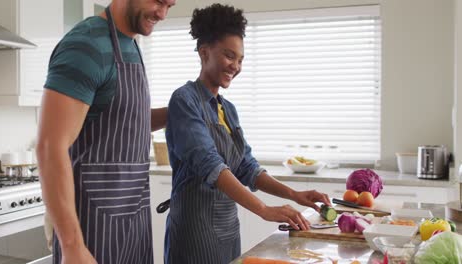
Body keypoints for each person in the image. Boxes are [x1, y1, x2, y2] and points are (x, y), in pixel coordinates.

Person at [163, 3, 331, 264]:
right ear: (204, 52)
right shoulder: (184, 100)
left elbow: (246, 167)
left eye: (240, 59)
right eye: (229, 56)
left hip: (228, 229)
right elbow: (211, 165)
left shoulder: (227, 109)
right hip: (193, 232)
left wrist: (294, 194)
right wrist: (263, 209)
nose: (236, 66)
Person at [36, 0, 176, 263]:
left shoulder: (131, 44)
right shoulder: (85, 45)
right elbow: (49, 147)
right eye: (158, 1)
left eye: (170, 5)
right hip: (90, 231)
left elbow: (125, 120)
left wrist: (178, 111)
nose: (163, 13)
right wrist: (72, 245)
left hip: (134, 224)